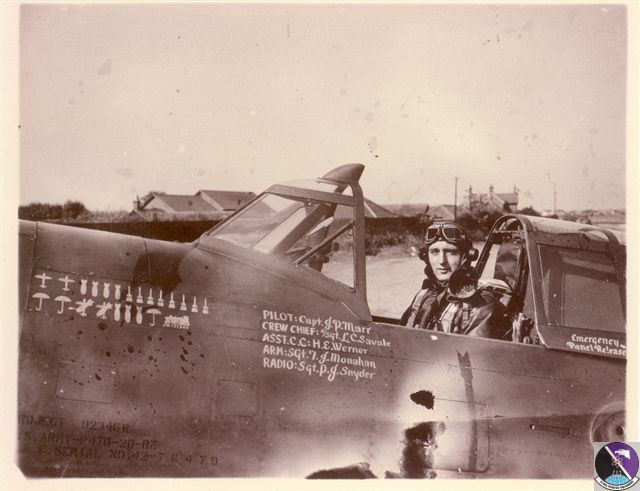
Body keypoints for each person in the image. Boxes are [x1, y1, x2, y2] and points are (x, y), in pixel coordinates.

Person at [402, 221, 508, 339]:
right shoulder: (424, 295)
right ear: (426, 256)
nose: (441, 261)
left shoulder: (480, 304)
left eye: (451, 252)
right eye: (434, 252)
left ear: (466, 256)